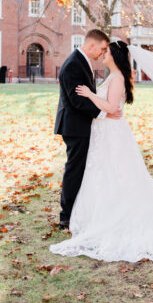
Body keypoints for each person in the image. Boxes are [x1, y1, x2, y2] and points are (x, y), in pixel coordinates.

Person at [49, 40, 153, 262]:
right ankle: (95, 215)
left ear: (115, 56)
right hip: (104, 132)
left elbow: (111, 108)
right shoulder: (112, 76)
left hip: (112, 133)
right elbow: (108, 106)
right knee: (103, 173)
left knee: (117, 173)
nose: (103, 54)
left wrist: (90, 95)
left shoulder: (117, 78)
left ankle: (114, 216)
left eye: (106, 51)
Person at [54, 29, 121, 230]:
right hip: (75, 126)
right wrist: (104, 114)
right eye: (101, 49)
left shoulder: (81, 61)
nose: (102, 53)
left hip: (80, 125)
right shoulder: (73, 64)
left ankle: (77, 211)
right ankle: (66, 217)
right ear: (91, 45)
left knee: (81, 168)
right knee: (75, 170)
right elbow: (76, 101)